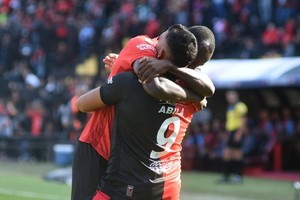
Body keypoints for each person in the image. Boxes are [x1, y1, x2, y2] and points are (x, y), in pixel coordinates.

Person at [71, 24, 215, 200]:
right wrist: (194, 97)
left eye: (198, 64)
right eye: (193, 62)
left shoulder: (184, 74)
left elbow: (209, 88)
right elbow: (152, 84)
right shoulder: (146, 45)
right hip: (100, 143)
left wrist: (170, 67)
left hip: (129, 154)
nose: (193, 67)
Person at [219, 90, 248, 183]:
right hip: (231, 132)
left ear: (236, 96)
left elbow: (243, 119)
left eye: (230, 96)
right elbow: (229, 121)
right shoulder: (230, 107)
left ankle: (238, 176)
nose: (229, 98)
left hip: (237, 131)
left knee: (237, 154)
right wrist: (227, 134)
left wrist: (239, 133)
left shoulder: (240, 106)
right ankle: (226, 176)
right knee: (227, 154)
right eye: (228, 97)